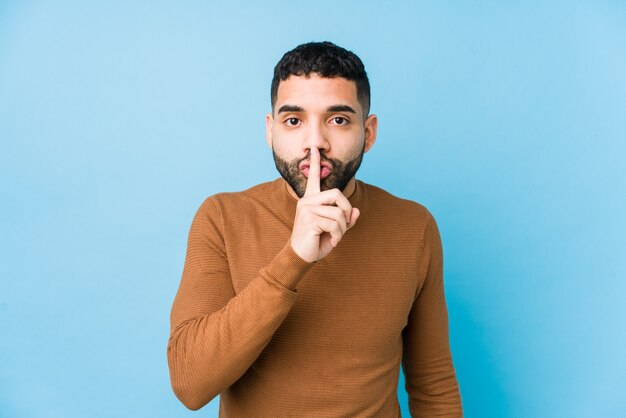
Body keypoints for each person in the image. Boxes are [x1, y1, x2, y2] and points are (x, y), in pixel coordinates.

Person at [167, 41, 463, 417]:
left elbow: (433, 384)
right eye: (294, 121)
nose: (315, 143)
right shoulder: (222, 217)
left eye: (338, 120)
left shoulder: (413, 226)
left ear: (368, 133)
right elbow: (190, 384)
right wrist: (294, 259)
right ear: (270, 131)